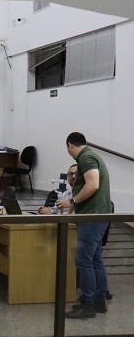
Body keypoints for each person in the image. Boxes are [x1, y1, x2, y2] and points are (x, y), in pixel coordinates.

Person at [56, 132, 112, 319]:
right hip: (97, 215)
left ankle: (87, 304)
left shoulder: (85, 157)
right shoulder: (92, 155)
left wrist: (72, 201)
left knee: (83, 260)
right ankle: (99, 301)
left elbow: (93, 184)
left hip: (92, 216)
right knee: (95, 259)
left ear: (70, 145)